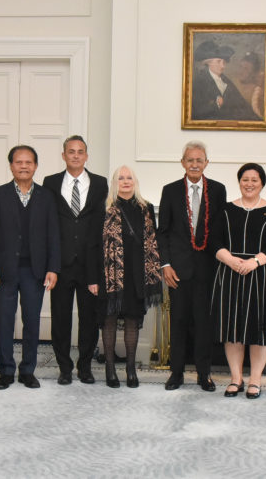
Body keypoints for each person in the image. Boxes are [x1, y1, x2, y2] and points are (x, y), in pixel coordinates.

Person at [0, 146, 61, 390]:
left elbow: (53, 235)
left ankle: (28, 370)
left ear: (36, 166)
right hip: (4, 271)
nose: (24, 166)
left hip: (35, 271)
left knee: (32, 321)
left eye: (29, 162)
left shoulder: (47, 196)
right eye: (19, 162)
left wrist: (53, 268)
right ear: (11, 166)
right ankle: (5, 371)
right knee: (5, 321)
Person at [211, 163, 266, 399]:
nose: (249, 184)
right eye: (245, 179)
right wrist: (232, 261)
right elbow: (214, 241)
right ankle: (236, 379)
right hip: (230, 273)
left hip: (263, 275)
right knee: (232, 328)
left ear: (262, 183)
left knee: (260, 330)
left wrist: (254, 262)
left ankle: (255, 379)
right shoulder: (225, 210)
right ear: (239, 181)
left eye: (254, 179)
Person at [157, 141, 227, 391]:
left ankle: (203, 374)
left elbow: (220, 231)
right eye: (190, 160)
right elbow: (162, 232)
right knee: (178, 323)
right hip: (177, 270)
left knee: (204, 324)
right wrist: (165, 264)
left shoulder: (218, 190)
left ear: (206, 163)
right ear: (183, 163)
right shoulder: (170, 190)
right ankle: (175, 373)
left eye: (199, 160)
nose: (194, 164)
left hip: (207, 271)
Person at [43, 135, 108, 385]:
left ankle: (85, 366)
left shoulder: (101, 183)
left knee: (89, 319)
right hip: (60, 263)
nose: (76, 155)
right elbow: (47, 223)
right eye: (71, 151)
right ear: (63, 155)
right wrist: (50, 263)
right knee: (60, 318)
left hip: (90, 263)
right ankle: (64, 368)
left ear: (86, 156)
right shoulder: (50, 183)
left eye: (81, 151)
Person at [102, 166, 162, 388]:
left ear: (135, 181)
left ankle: (130, 370)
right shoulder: (106, 207)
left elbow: (153, 241)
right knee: (108, 321)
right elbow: (95, 244)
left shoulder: (145, 208)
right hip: (110, 274)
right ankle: (109, 369)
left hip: (138, 274)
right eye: (121, 178)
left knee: (132, 321)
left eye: (129, 178)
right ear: (114, 183)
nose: (125, 181)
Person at [191, 40, 260, 121]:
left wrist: (260, 123)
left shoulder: (225, 81)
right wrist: (216, 105)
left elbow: (243, 106)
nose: (223, 66)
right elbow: (195, 112)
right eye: (218, 61)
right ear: (209, 62)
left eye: (224, 62)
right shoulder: (199, 81)